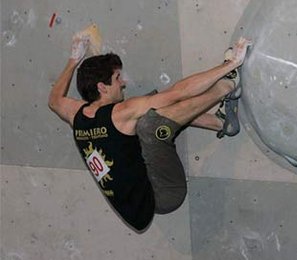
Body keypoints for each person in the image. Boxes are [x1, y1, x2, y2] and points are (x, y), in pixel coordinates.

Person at [48, 31, 252, 232]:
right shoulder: (120, 113)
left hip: (142, 188)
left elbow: (54, 100)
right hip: (164, 193)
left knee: (150, 110)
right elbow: (178, 92)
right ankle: (227, 86)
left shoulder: (77, 115)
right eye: (117, 77)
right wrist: (230, 65)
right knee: (151, 124)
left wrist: (74, 59)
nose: (123, 83)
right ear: (102, 87)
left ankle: (220, 122)